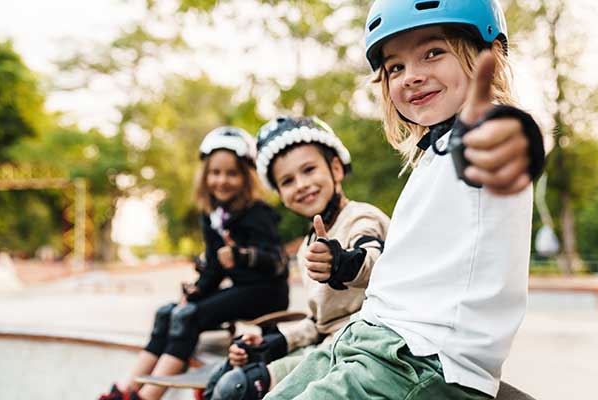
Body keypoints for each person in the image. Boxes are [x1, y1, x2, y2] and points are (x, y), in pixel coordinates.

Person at [264, 1, 545, 399]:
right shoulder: (433, 155)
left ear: (486, 56)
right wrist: (344, 263)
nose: (411, 76)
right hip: (366, 339)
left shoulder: (484, 130)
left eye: (432, 52)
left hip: (423, 359)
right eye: (396, 67)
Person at [205, 116, 390, 400]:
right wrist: (274, 341)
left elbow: (373, 259)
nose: (301, 185)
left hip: (364, 346)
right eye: (288, 181)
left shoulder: (360, 217)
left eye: (309, 170)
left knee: (238, 388)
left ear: (336, 169)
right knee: (228, 374)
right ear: (280, 193)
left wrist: (342, 262)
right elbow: (320, 322)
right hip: (328, 343)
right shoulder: (309, 244)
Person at [98, 126, 290, 400]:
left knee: (188, 317)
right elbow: (214, 267)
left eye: (231, 173)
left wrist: (243, 256)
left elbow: (278, 263)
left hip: (267, 294)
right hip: (241, 291)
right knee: (169, 312)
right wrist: (197, 291)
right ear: (205, 176)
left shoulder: (258, 213)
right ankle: (126, 390)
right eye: (215, 173)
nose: (221, 181)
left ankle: (148, 396)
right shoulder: (213, 216)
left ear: (246, 177)